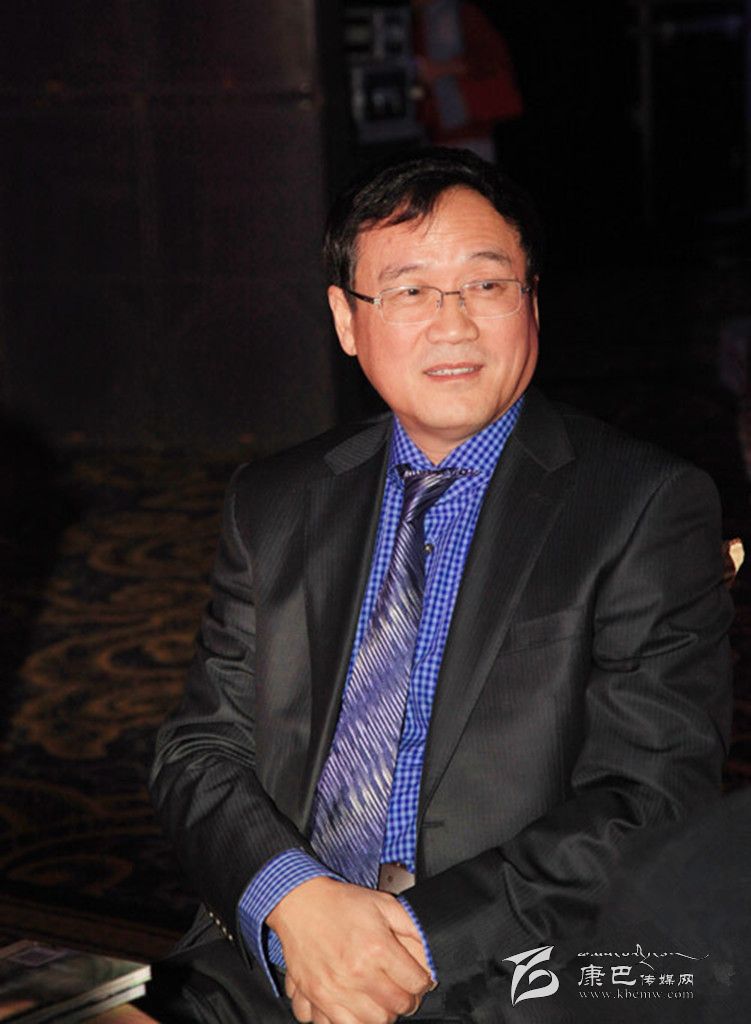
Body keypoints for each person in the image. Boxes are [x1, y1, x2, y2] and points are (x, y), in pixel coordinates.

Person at [146, 148, 734, 1023]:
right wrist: (294, 902)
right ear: (347, 321)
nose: (452, 324)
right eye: (410, 291)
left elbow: (650, 799)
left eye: (486, 286)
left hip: (510, 970)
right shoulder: (276, 501)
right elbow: (199, 751)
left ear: (531, 301)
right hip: (281, 948)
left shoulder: (641, 505)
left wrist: (408, 945)